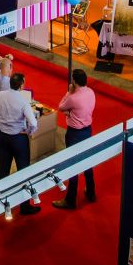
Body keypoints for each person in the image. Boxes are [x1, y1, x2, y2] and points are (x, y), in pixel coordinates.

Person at [0, 74, 40, 215]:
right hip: (19, 138)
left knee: (3, 171)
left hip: (4, 137)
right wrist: (28, 132)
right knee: (23, 172)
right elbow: (33, 123)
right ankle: (24, 206)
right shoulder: (23, 100)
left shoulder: (0, 96)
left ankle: (0, 202)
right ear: (21, 85)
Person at [53, 69, 97, 210]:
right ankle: (91, 192)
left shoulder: (73, 97)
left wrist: (69, 92)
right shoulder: (90, 92)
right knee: (87, 162)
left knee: (72, 165)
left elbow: (61, 106)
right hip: (87, 130)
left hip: (74, 133)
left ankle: (70, 200)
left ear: (74, 82)